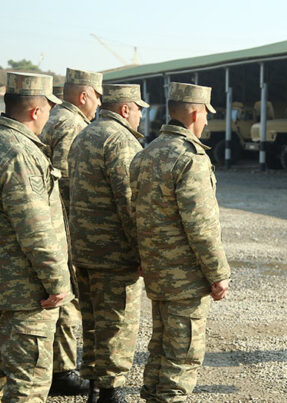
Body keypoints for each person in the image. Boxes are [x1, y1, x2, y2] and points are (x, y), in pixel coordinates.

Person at [0, 72, 71, 402]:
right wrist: (57, 282)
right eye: (49, 110)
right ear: (36, 111)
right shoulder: (20, 154)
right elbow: (35, 229)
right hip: (27, 293)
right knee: (27, 386)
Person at [130, 82, 231, 402]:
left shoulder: (147, 152)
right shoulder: (190, 158)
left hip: (157, 270)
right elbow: (201, 226)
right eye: (205, 116)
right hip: (184, 274)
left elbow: (137, 213)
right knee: (183, 353)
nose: (206, 123)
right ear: (194, 113)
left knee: (160, 345)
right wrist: (218, 273)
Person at [68, 83, 147, 402]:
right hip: (115, 254)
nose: (141, 115)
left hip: (84, 250)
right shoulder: (121, 141)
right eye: (139, 109)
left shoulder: (84, 135)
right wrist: (143, 252)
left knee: (93, 321)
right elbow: (129, 202)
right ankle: (111, 391)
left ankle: (93, 385)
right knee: (118, 323)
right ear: (125, 109)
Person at [41, 67, 102, 396]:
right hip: (63, 226)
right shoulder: (72, 124)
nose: (98, 105)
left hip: (53, 223)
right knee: (65, 296)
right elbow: (69, 182)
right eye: (97, 97)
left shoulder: (53, 118)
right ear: (84, 95)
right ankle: (62, 369)